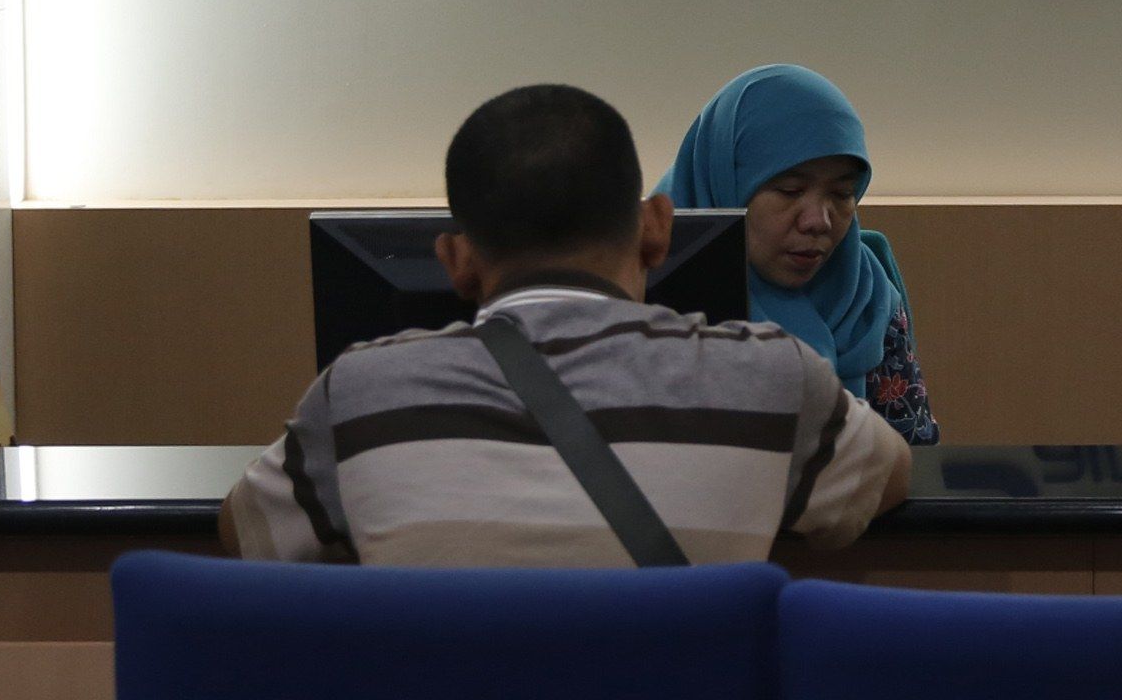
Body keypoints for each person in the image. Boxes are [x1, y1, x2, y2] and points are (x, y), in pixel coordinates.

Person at [223, 82, 910, 566]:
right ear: (655, 230)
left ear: (456, 261)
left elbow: (245, 532)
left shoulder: (358, 397)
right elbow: (892, 478)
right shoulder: (775, 380)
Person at [659, 64, 939, 445]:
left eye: (842, 194)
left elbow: (916, 458)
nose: (819, 221)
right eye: (790, 190)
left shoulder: (866, 296)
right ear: (724, 183)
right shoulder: (648, 286)